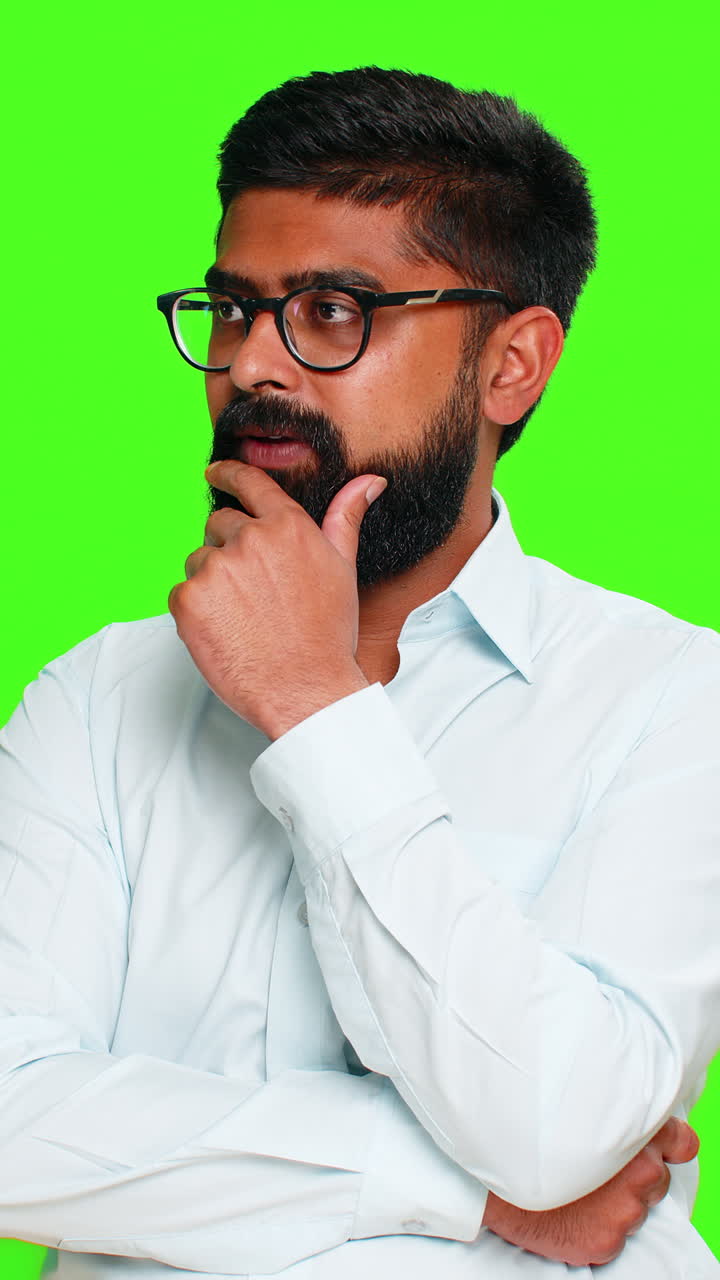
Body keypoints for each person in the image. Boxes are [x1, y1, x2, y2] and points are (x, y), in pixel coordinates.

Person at [0, 66, 718, 1280]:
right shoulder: (94, 697)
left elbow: (553, 1124)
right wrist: (464, 1189)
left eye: (334, 309)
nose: (253, 368)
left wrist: (311, 705)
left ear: (512, 365)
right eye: (235, 309)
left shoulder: (673, 698)